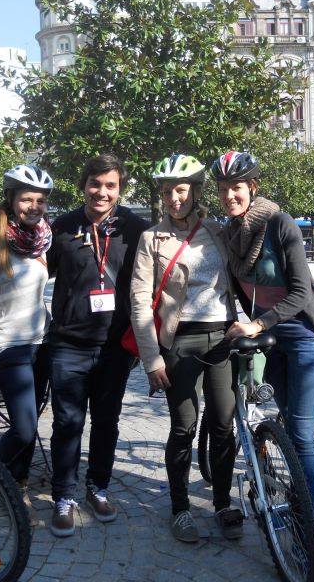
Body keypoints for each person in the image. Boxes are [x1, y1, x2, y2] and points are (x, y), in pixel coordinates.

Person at [129, 155, 240, 543]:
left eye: (180, 190)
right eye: (166, 192)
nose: (172, 198)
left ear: (195, 191)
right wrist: (151, 358)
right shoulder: (151, 239)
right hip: (180, 342)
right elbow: (140, 302)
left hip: (223, 339)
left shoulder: (217, 231)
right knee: (184, 427)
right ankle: (180, 509)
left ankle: (224, 503)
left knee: (224, 426)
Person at [212, 151, 314, 512]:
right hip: (270, 341)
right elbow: (233, 290)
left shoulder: (280, 224)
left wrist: (259, 323)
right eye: (222, 189)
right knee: (285, 418)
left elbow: (299, 292)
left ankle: (304, 514)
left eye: (237, 188)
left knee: (301, 432)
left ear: (252, 187)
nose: (230, 196)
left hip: (304, 335)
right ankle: (288, 484)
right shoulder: (230, 234)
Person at [46, 154, 149, 537]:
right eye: (95, 184)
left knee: (106, 423)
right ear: (83, 184)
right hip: (68, 344)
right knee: (67, 423)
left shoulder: (135, 229)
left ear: (120, 188)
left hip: (113, 347)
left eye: (110, 185)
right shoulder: (62, 226)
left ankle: (98, 487)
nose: (102, 192)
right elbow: (35, 271)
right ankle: (62, 496)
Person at [0, 164, 54, 524]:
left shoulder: (40, 241)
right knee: (24, 427)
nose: (33, 206)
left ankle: (17, 487)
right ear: (12, 198)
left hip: (42, 345)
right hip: (9, 348)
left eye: (39, 200)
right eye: (26, 199)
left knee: (31, 421)